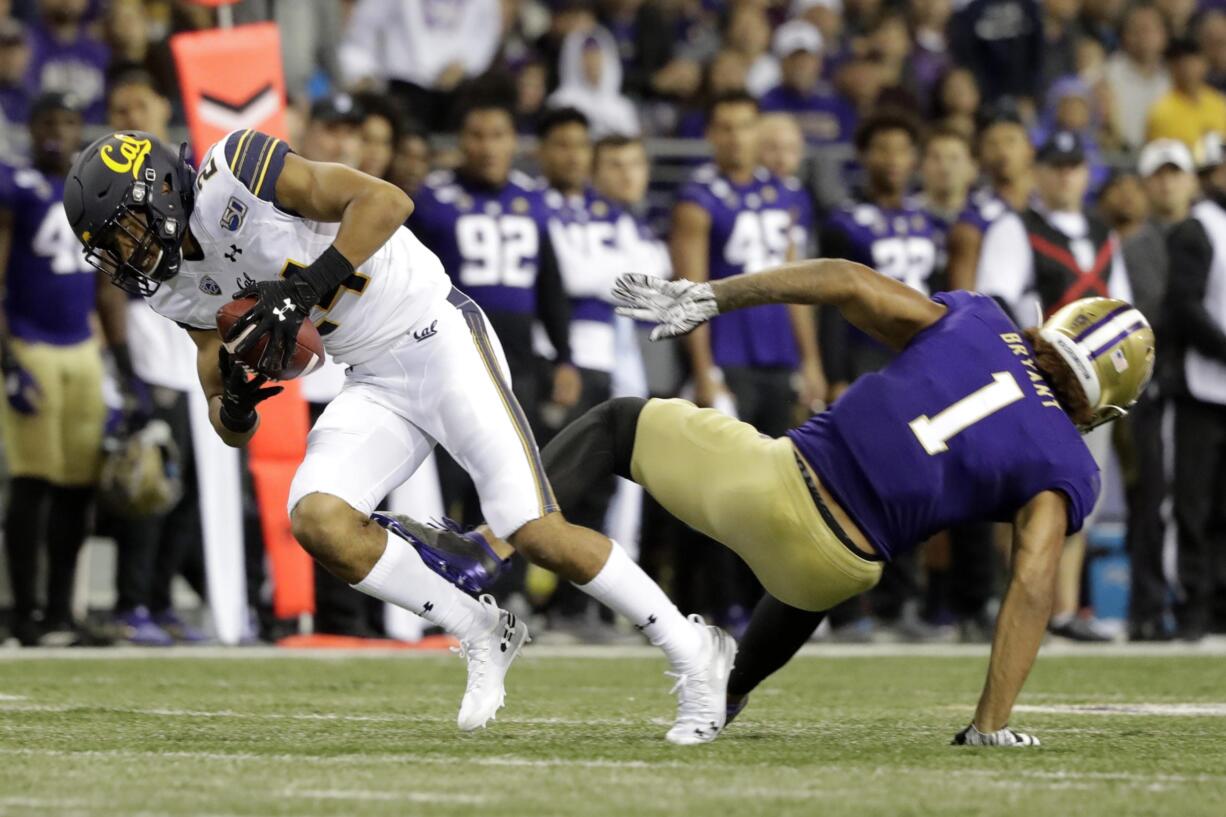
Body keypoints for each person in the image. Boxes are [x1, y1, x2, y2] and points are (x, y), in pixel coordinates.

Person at [65, 127, 732, 743]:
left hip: (437, 335)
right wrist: (235, 401)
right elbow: (222, 404)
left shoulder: (235, 172)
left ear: (157, 192)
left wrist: (303, 290)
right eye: (109, 250)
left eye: (123, 233)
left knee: (532, 529)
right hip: (373, 376)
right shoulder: (171, 289)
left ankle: (692, 646)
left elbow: (385, 202)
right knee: (320, 519)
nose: (125, 257)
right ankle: (480, 628)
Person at [423, 257, 1153, 745]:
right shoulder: (1069, 466)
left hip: (769, 482)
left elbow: (845, 282)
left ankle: (493, 543)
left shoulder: (979, 321)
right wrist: (989, 723)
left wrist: (714, 295)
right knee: (827, 564)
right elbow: (1030, 584)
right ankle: (726, 694)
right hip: (838, 567)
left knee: (618, 424)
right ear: (1102, 406)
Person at [670, 90, 824, 630]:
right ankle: (723, 600)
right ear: (712, 135)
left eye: (745, 126)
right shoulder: (697, 197)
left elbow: (798, 288)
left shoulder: (787, 195)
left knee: (777, 485)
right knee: (729, 487)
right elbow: (689, 293)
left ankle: (768, 600)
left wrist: (812, 363)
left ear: (759, 132)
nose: (736, 137)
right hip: (729, 357)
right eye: (726, 127)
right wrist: (705, 370)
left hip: (777, 354)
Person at [976, 129, 1133, 642]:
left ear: (1086, 174)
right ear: (1039, 172)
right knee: (1023, 492)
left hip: (1094, 391)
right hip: (1036, 380)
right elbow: (996, 299)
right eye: (1057, 165)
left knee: (1083, 492)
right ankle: (1016, 603)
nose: (1066, 175)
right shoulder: (1015, 226)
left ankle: (1063, 608)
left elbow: (1123, 315)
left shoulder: (1101, 231)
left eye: (1074, 165)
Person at [0, 92, 136, 646]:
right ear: (31, 129)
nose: (58, 132)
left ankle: (61, 611)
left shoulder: (93, 192)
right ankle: (25, 611)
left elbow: (107, 288)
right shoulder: (18, 188)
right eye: (48, 121)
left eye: (69, 122)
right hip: (31, 344)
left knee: (79, 486)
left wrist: (125, 367)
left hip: (82, 347)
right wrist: (7, 358)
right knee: (34, 481)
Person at [103, 70, 207, 645]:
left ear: (165, 108)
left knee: (188, 492)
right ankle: (130, 603)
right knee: (149, 485)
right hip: (150, 347)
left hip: (194, 346)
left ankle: (164, 601)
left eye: (138, 105)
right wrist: (124, 372)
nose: (129, 118)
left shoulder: (188, 173)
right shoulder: (104, 182)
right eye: (118, 109)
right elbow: (105, 287)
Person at [1164, 135, 1226, 641]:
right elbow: (1184, 305)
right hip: (1201, 388)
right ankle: (1194, 605)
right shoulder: (1197, 229)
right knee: (1194, 502)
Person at [946, 109, 1035, 291]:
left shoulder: (1049, 202)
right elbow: (964, 296)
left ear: (1029, 149)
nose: (1002, 152)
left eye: (1011, 141)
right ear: (980, 155)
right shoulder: (973, 219)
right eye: (992, 143)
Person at [1104, 3, 1171, 150]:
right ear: (1124, 35)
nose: (1145, 37)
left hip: (1164, 157)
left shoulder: (1173, 76)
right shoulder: (1107, 74)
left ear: (1164, 35)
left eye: (1151, 29)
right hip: (1121, 156)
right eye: (1137, 30)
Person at [1146, 38, 1226, 148]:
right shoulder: (1161, 112)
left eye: (1192, 62)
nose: (1186, 69)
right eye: (1179, 63)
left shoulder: (1219, 103)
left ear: (1204, 63)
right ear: (1171, 68)